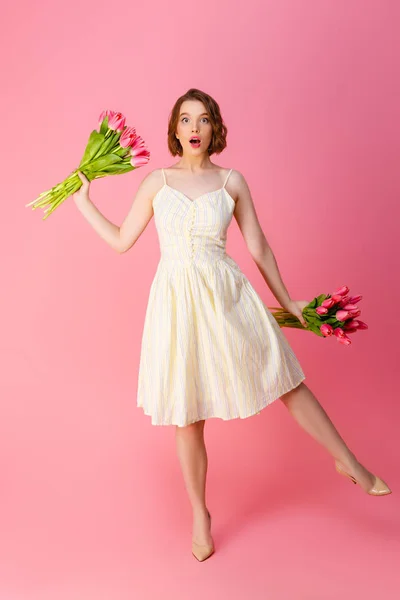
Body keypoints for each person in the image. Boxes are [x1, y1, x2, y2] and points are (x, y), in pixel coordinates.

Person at [73, 88, 392, 562]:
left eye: (203, 120)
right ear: (175, 129)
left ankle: (347, 460)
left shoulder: (232, 181)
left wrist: (290, 303)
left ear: (214, 127)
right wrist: (82, 201)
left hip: (228, 296)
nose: (194, 129)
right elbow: (122, 240)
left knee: (284, 375)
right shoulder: (157, 181)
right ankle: (200, 513)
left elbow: (259, 247)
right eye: (186, 120)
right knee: (187, 413)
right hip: (178, 302)